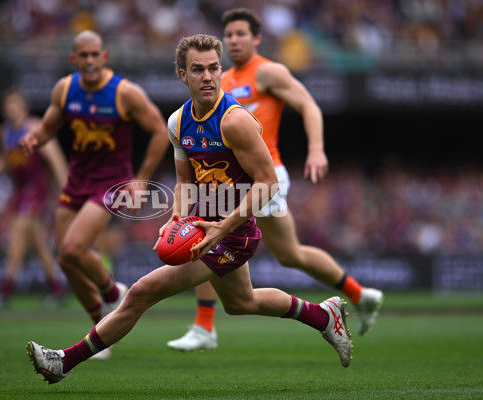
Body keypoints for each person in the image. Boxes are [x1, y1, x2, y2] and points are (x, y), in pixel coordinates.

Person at [26, 34, 352, 385]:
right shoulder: (178, 122)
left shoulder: (234, 121)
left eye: (214, 68)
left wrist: (222, 228)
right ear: (183, 75)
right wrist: (176, 218)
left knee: (140, 292)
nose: (208, 76)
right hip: (205, 226)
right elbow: (184, 182)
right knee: (241, 302)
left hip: (233, 234)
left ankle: (62, 362)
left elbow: (268, 183)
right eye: (198, 70)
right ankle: (323, 315)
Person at [167, 8, 383, 352]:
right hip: (234, 177)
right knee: (288, 254)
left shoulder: (267, 71)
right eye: (230, 34)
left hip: (264, 175)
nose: (234, 40)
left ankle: (204, 326)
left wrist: (316, 149)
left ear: (257, 39)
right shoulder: (221, 80)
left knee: (210, 225)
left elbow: (309, 105)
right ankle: (359, 294)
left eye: (241, 33)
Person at [19, 30, 169, 358]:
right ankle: (101, 328)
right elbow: (48, 127)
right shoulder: (65, 89)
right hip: (77, 182)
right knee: (66, 259)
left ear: (105, 57)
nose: (89, 61)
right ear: (74, 59)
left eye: (94, 55)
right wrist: (35, 139)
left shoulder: (124, 93)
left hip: (111, 184)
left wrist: (142, 178)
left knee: (74, 247)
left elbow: (160, 130)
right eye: (82, 56)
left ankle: (112, 290)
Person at [0, 88, 68, 307]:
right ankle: (58, 289)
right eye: (8, 105)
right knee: (38, 242)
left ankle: (5, 290)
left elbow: (56, 158)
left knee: (17, 231)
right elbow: (4, 162)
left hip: (36, 190)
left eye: (16, 104)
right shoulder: (4, 132)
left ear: (24, 107)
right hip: (20, 190)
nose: (12, 109)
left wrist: (66, 190)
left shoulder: (33, 128)